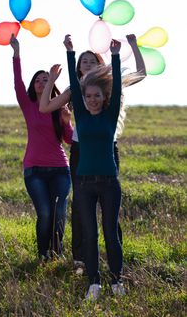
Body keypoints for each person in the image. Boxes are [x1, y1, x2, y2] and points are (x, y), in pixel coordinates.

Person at [39, 34, 146, 274]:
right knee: (81, 206)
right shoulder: (74, 90)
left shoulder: (109, 85)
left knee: (111, 209)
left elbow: (140, 73)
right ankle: (81, 259)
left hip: (108, 150)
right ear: (77, 67)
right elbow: (45, 107)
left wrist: (135, 47)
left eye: (91, 60)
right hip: (81, 151)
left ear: (100, 64)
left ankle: (113, 258)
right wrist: (51, 81)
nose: (87, 64)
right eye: (83, 61)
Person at [62, 34, 128, 300]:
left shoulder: (110, 117)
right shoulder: (81, 111)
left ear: (104, 97)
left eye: (96, 96)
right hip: (85, 184)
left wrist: (114, 55)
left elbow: (119, 87)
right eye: (88, 96)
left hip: (110, 184)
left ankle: (116, 281)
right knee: (90, 234)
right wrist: (70, 52)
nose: (91, 99)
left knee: (111, 234)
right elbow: (75, 89)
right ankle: (94, 283)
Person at [9, 34, 73, 263]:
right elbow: (17, 82)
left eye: (46, 79)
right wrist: (16, 53)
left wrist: (66, 121)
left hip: (60, 170)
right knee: (45, 213)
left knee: (59, 214)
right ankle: (42, 254)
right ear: (33, 86)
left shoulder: (59, 108)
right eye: (38, 80)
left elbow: (68, 140)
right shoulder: (29, 105)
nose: (42, 82)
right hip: (34, 170)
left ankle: (57, 254)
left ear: (52, 84)